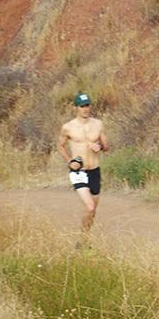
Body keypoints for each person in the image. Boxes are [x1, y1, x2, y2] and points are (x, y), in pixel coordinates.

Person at [57, 93, 109, 232]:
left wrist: (100, 147)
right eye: (82, 106)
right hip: (79, 171)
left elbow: (107, 147)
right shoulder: (68, 127)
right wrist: (69, 161)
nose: (86, 109)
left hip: (95, 171)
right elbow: (60, 146)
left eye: (87, 105)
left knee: (92, 211)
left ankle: (85, 238)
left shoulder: (98, 124)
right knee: (90, 207)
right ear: (76, 107)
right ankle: (82, 239)